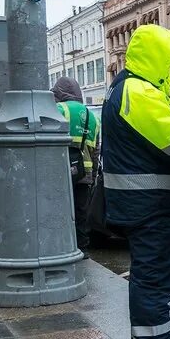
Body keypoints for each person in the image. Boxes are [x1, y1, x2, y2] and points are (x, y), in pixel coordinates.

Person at [101, 24, 170, 339]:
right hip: (150, 204)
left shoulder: (127, 89)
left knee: (152, 274)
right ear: (153, 58)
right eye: (168, 62)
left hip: (142, 203)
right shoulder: (138, 92)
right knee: (154, 278)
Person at [52, 76, 100, 254]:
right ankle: (82, 248)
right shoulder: (92, 116)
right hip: (84, 173)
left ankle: (63, 248)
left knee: (61, 211)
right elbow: (95, 151)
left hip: (61, 172)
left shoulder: (58, 109)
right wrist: (93, 176)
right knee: (81, 212)